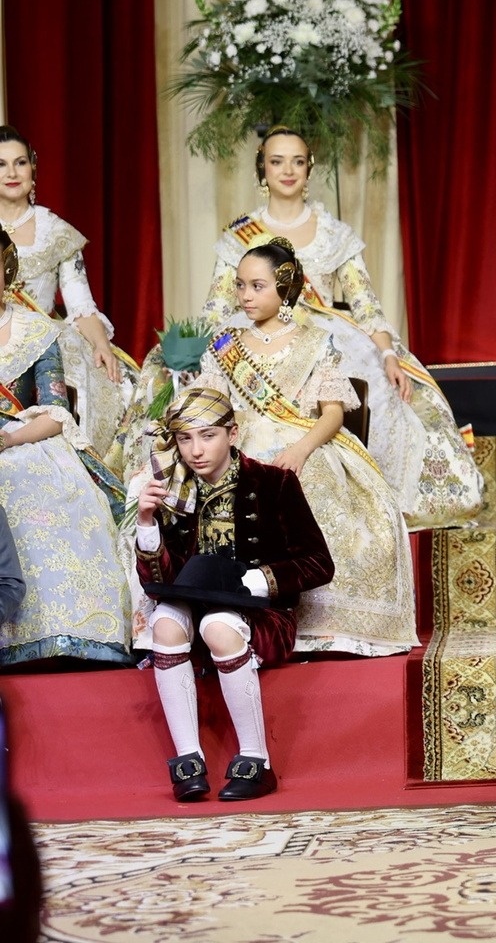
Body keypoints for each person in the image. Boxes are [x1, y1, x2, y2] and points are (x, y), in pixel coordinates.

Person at [192, 126, 483, 530]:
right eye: (277, 161)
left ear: (309, 168)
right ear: (263, 169)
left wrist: (387, 353)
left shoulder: (334, 234)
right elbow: (216, 307)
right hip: (254, 331)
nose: (287, 171)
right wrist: (195, 355)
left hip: (324, 334)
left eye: (297, 161)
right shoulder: (240, 234)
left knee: (387, 396)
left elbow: (365, 304)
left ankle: (375, 504)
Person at [190, 240, 415, 657]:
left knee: (317, 487)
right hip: (238, 438)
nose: (245, 295)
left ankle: (323, 623)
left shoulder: (316, 341)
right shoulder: (224, 345)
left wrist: (301, 449)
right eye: (240, 285)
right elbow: (210, 406)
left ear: (285, 287)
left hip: (304, 438)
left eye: (257, 286)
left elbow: (332, 414)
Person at [135, 386, 335, 801]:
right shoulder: (174, 491)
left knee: (218, 625)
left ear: (232, 433)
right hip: (195, 605)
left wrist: (255, 581)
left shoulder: (274, 483)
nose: (196, 450)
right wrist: (146, 521)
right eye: (185, 439)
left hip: (260, 614)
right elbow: (161, 580)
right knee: (166, 622)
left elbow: (319, 563)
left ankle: (257, 761)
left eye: (208, 436)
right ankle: (188, 762)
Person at [0, 229, 130, 667]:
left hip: (26, 438)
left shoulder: (37, 331)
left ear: (7, 271)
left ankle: (66, 632)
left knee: (50, 488)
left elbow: (55, 411)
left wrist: (9, 438)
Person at [0, 126, 133, 455]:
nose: (12, 173)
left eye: (20, 162)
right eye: (1, 164)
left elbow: (80, 304)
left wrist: (101, 344)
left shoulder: (55, 231)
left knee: (106, 382)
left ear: (33, 168)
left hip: (40, 337)